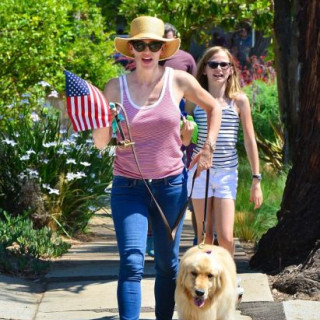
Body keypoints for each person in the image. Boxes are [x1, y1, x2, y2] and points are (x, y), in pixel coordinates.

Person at [92, 16, 222, 320]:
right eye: (140, 44)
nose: (147, 50)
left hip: (171, 186)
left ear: (162, 48)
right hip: (128, 187)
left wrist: (207, 150)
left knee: (167, 264)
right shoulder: (114, 88)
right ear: (131, 50)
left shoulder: (178, 80)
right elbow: (101, 143)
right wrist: (99, 123)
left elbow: (213, 107)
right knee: (132, 262)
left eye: (154, 44)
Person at [186, 46, 263, 253]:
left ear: (231, 70)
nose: (218, 69)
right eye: (213, 64)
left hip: (227, 173)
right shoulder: (194, 101)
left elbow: (249, 140)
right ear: (204, 69)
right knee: (205, 236)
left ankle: (228, 279)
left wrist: (256, 179)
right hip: (200, 173)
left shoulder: (239, 101)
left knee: (227, 237)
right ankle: (206, 281)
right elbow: (186, 139)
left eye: (224, 64)